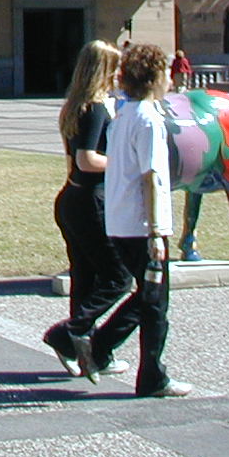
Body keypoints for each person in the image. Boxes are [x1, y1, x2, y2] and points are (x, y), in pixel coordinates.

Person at [79, 43, 188, 398]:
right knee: (156, 305)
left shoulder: (123, 116)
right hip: (143, 226)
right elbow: (152, 176)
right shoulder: (150, 119)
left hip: (121, 222)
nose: (171, 79)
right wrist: (157, 232)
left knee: (147, 298)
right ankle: (151, 376)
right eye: (167, 72)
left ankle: (100, 347)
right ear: (155, 77)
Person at [42, 40, 132, 379]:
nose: (119, 75)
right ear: (103, 71)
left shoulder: (73, 106)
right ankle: (68, 334)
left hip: (72, 198)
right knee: (118, 277)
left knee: (85, 278)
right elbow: (87, 159)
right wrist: (124, 163)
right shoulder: (95, 108)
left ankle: (87, 353)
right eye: (115, 68)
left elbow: (71, 164)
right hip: (89, 200)